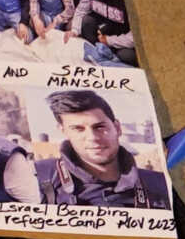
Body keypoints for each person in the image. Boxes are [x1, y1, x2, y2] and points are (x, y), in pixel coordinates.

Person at [36, 89, 170, 209]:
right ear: (64, 131)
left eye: (100, 127)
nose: (92, 137)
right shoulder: (38, 176)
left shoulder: (160, 184)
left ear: (117, 128)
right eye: (78, 129)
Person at [68, 0, 135, 65]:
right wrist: (74, 30)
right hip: (102, 32)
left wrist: (109, 40)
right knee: (86, 21)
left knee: (127, 55)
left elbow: (134, 38)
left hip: (120, 39)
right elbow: (81, 10)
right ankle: (98, 56)